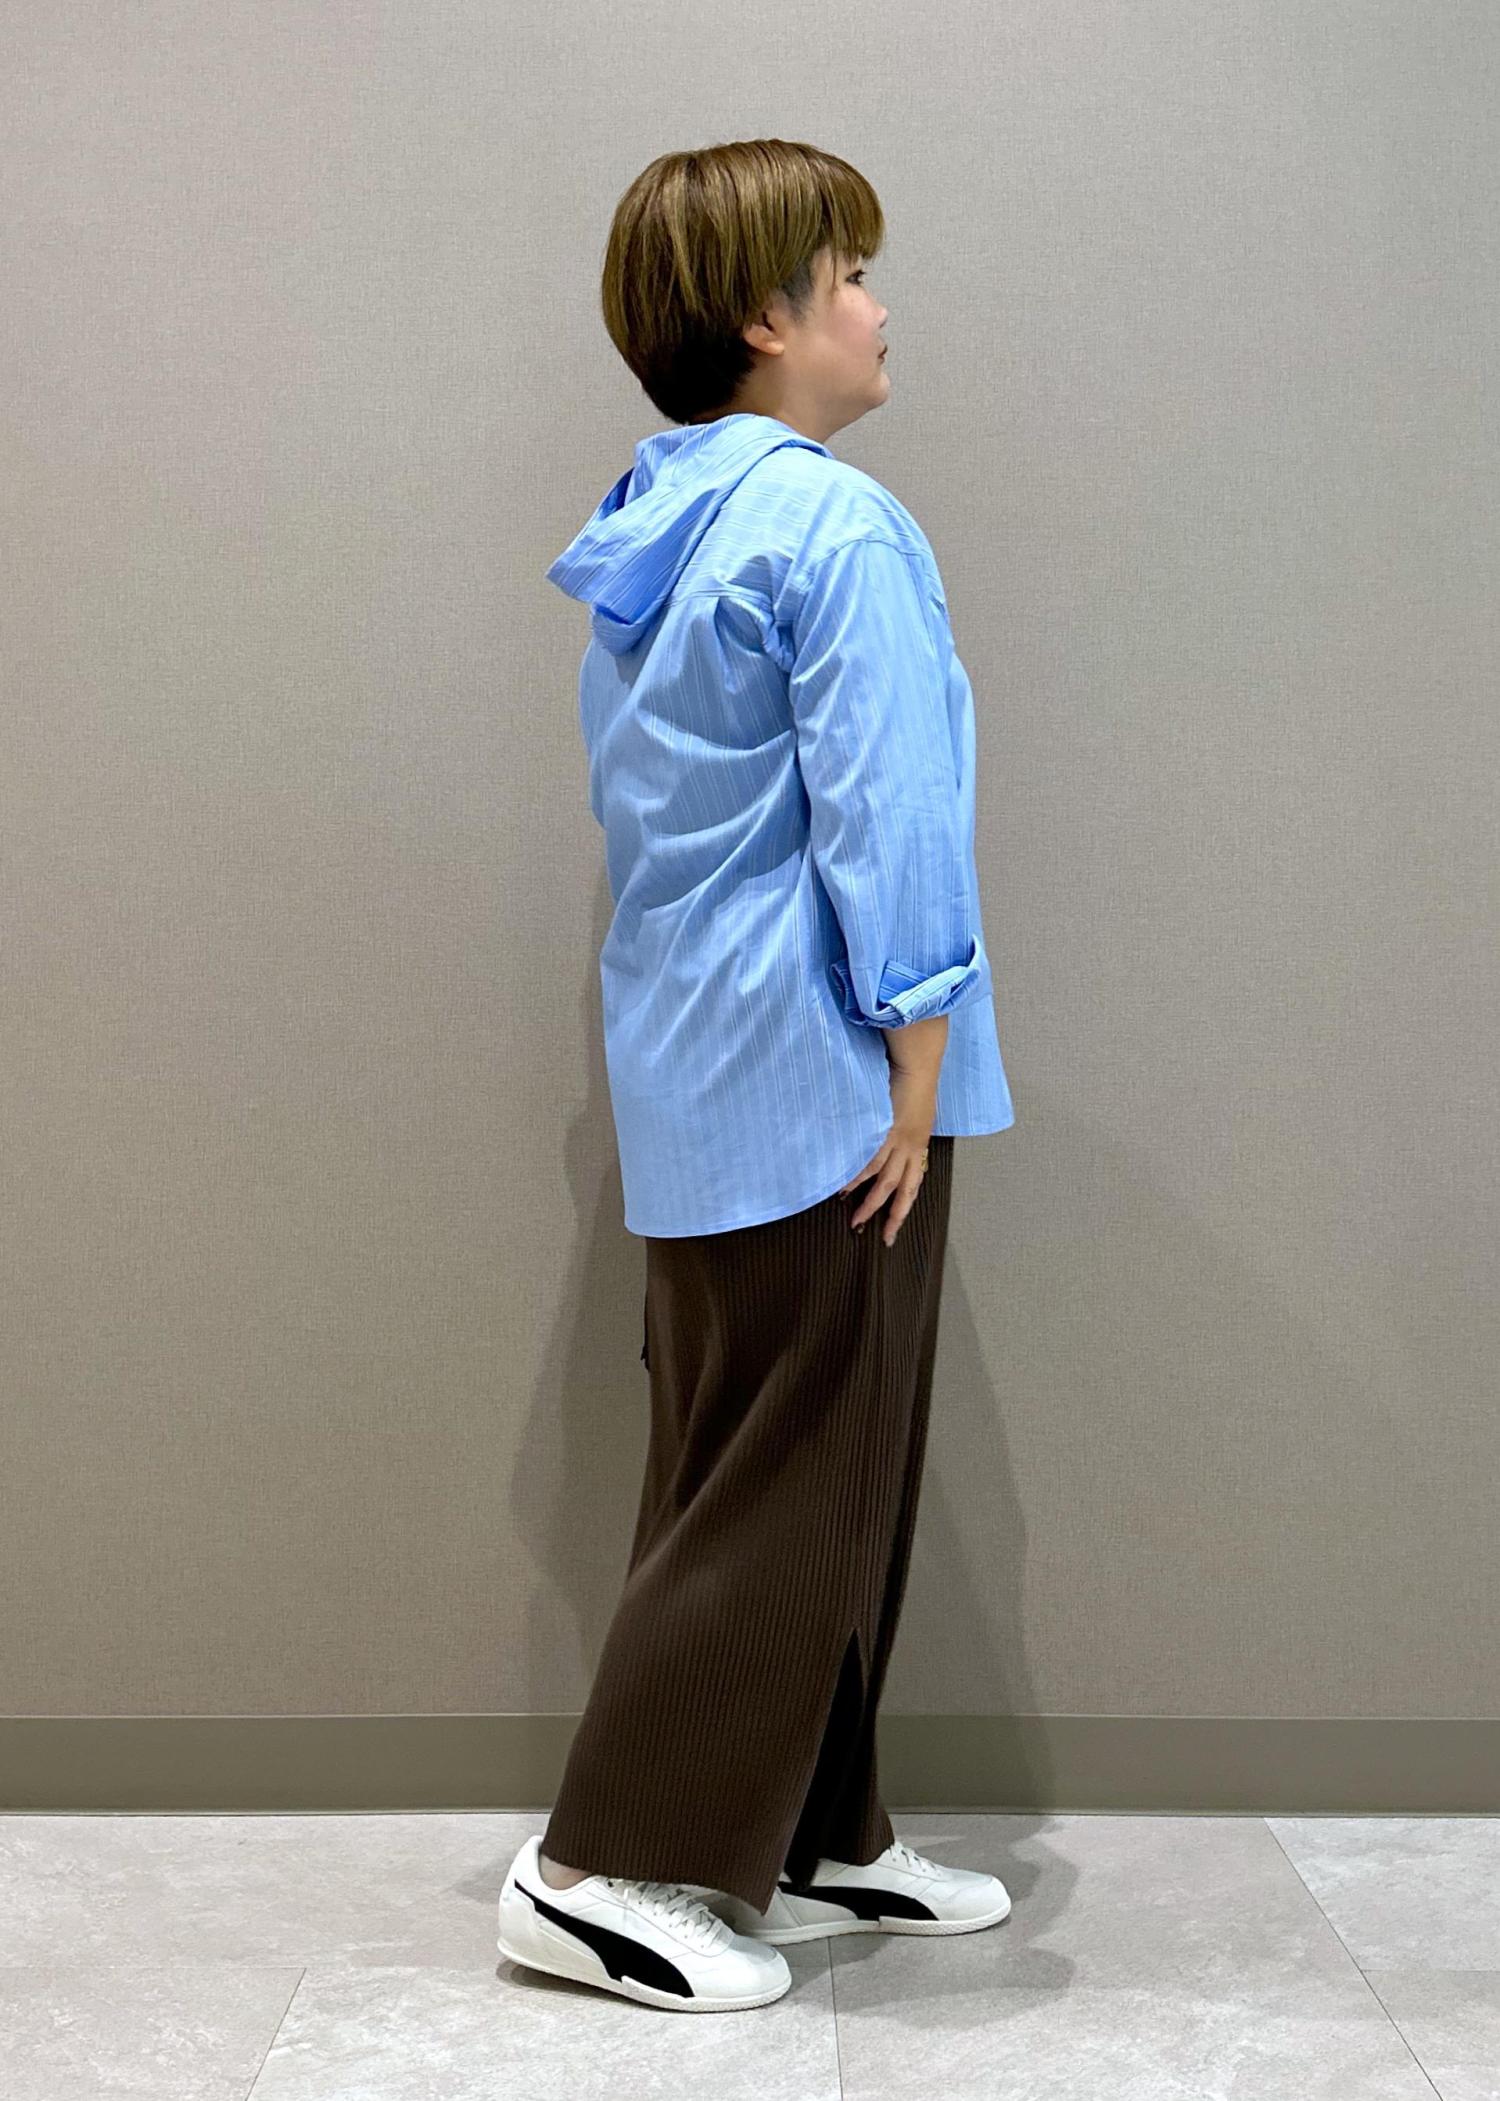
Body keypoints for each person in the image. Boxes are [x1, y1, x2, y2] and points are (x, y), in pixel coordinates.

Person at [497, 136, 1016, 2012]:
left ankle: (808, 1828)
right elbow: (888, 804)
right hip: (823, 1067)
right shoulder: (834, 527)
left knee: (803, 1453)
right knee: (790, 1472)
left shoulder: (656, 523)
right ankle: (605, 1868)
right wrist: (918, 1049)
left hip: (696, 1059)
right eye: (849, 272)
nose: (878, 305)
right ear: (762, 315)